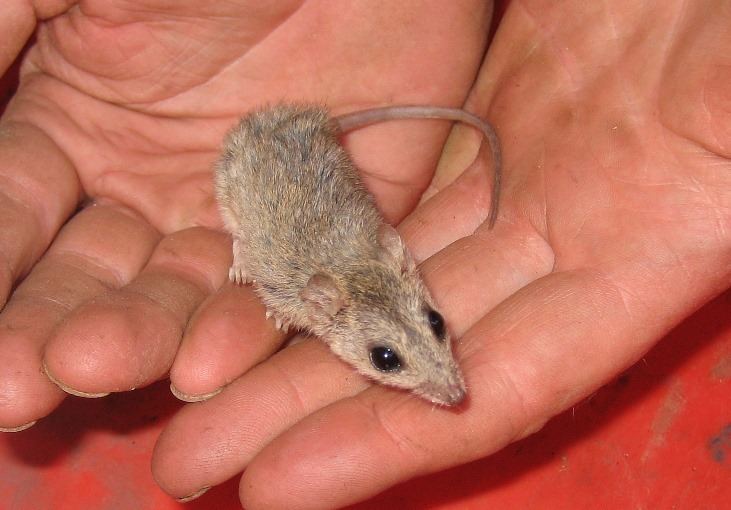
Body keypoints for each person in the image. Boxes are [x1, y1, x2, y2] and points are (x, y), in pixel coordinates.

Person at [0, 0, 728, 507]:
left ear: (401, 268)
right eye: (390, 358)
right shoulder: (305, 293)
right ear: (327, 311)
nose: (446, 382)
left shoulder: (368, 265)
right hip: (258, 152)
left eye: (428, 333)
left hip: (300, 162)